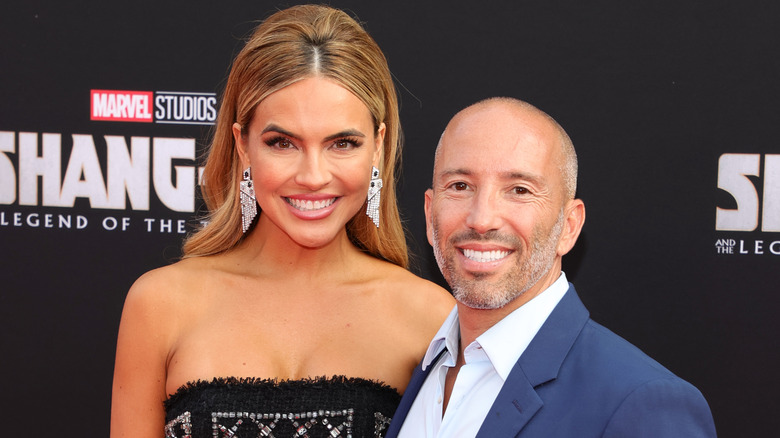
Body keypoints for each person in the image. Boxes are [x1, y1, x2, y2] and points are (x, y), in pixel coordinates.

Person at [110, 5, 453, 437]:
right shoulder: (159, 305)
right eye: (282, 142)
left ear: (379, 148)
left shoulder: (430, 318)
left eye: (342, 143)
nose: (312, 176)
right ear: (243, 145)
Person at [386, 97, 717, 437]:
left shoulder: (641, 403)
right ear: (429, 215)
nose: (481, 219)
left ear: (569, 226)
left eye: (519, 190)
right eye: (460, 186)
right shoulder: (421, 369)